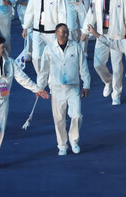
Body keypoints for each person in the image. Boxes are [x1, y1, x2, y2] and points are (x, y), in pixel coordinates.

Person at [0, 36, 49, 171]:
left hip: (3, 101)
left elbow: (22, 78)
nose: (5, 49)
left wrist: (37, 90)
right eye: (2, 47)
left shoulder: (10, 62)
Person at [38, 23, 90, 156]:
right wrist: (39, 88)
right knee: (59, 118)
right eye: (63, 32)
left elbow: (83, 67)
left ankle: (74, 141)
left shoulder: (76, 47)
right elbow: (43, 70)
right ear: (56, 32)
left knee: (77, 115)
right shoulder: (49, 49)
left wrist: (86, 85)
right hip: (57, 88)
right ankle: (62, 144)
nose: (65, 34)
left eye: (67, 32)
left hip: (73, 88)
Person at [22, 0, 67, 74]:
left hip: (52, 31)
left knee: (54, 57)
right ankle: (41, 77)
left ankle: (53, 80)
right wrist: (26, 26)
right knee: (36, 56)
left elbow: (61, 12)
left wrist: (62, 30)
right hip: (37, 30)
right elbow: (30, 10)